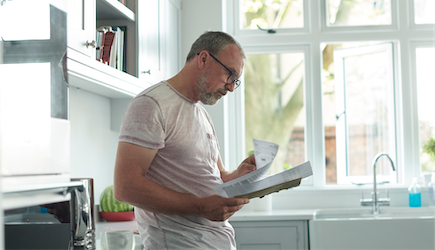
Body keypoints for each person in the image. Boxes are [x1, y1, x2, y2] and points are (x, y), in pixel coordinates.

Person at [114, 31, 257, 249]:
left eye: (235, 81)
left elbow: (218, 177)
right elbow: (125, 186)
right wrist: (201, 207)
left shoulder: (202, 115)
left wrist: (240, 174)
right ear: (203, 59)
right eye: (230, 74)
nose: (230, 87)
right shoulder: (151, 105)